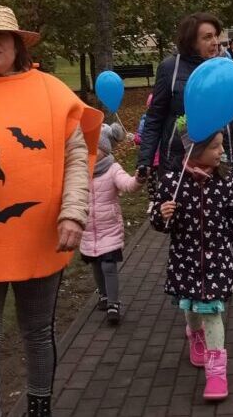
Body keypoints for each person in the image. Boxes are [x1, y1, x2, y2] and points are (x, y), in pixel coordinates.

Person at [0, 5, 102, 417]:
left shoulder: (51, 91)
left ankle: (39, 406)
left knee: (38, 332)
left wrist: (73, 212)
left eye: (0, 36)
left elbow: (77, 156)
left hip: (40, 235)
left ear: (16, 44)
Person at [150, 123, 233, 401]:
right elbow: (159, 224)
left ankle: (217, 371)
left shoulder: (226, 182)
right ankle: (195, 334)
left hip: (217, 259)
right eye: (215, 146)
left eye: (222, 144)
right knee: (190, 304)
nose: (222, 151)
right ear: (195, 150)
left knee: (211, 311)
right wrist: (162, 215)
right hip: (185, 259)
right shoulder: (172, 182)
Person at [137, 12, 233, 191]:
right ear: (191, 41)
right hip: (178, 165)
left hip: (224, 163)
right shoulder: (170, 68)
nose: (215, 42)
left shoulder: (228, 69)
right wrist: (145, 160)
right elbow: (155, 117)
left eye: (216, 36)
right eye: (207, 37)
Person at [80, 122, 145, 325]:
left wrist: (138, 180)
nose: (91, 153)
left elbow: (127, 185)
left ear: (105, 149)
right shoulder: (80, 170)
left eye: (95, 149)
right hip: (88, 230)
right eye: (87, 148)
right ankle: (103, 294)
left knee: (108, 265)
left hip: (109, 227)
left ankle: (113, 304)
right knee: (96, 264)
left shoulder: (113, 169)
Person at [134, 93, 160, 213]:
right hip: (150, 158)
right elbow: (140, 137)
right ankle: (152, 201)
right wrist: (136, 138)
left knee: (162, 180)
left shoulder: (165, 120)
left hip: (162, 156)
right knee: (151, 181)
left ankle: (161, 200)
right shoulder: (145, 121)